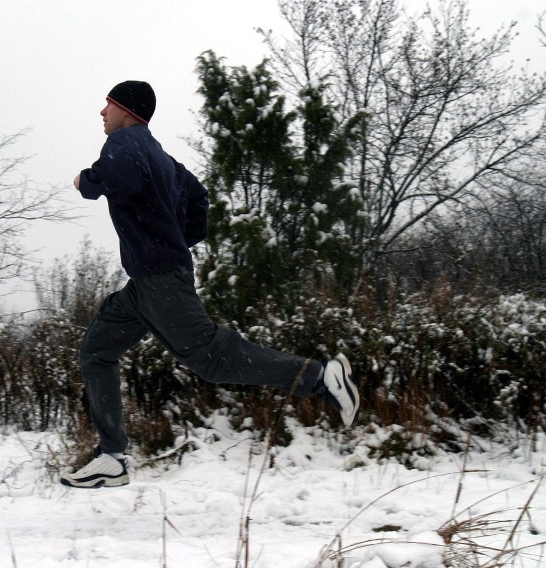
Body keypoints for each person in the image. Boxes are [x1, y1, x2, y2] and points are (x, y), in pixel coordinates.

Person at [61, 80, 359, 489]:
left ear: (127, 111)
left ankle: (320, 377)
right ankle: (112, 458)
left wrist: (88, 181)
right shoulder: (163, 159)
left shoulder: (125, 143)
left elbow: (119, 178)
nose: (101, 113)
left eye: (107, 105)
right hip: (146, 286)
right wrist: (176, 236)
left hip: (160, 280)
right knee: (96, 351)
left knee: (214, 360)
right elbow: (198, 198)